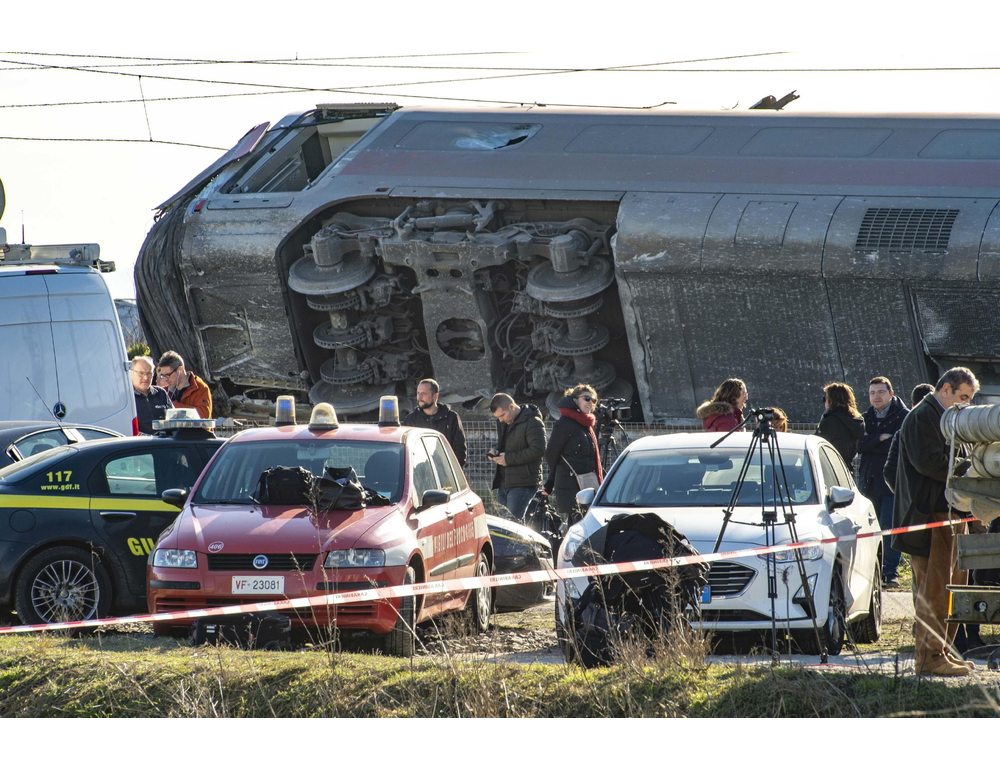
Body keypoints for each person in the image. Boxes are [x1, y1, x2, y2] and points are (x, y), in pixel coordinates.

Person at [893, 367, 978, 677]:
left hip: (950, 513)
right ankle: (929, 657)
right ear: (945, 389)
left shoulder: (946, 416)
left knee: (952, 589)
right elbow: (928, 462)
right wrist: (971, 469)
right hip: (932, 515)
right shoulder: (923, 416)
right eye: (963, 397)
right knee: (935, 591)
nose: (966, 404)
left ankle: (942, 652)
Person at [857, 376, 909, 588]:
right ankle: (872, 572)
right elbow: (858, 445)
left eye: (880, 392)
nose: (876, 397)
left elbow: (898, 446)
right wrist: (880, 438)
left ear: (891, 393)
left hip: (893, 482)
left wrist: (872, 442)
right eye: (872, 393)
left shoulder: (904, 416)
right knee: (869, 529)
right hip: (869, 482)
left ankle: (890, 572)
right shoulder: (864, 417)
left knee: (889, 527)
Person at [544, 383, 603, 525]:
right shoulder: (565, 424)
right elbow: (551, 453)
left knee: (584, 525)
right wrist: (554, 477)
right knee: (578, 525)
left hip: (585, 484)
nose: (590, 403)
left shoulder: (586, 424)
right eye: (587, 398)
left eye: (593, 400)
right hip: (570, 484)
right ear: (575, 400)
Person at [488, 393, 547, 522]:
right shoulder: (505, 422)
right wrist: (496, 450)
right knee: (505, 524)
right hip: (504, 481)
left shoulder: (533, 422)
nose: (500, 420)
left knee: (512, 525)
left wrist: (508, 459)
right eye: (498, 417)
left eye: (502, 415)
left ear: (511, 407)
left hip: (523, 483)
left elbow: (538, 450)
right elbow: (508, 445)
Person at [401, 378, 467, 467]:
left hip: (445, 472)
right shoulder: (410, 420)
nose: (419, 397)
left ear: (435, 396)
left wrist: (450, 471)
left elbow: (459, 449)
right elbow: (405, 450)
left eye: (424, 393)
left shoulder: (451, 418)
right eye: (418, 393)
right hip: (419, 472)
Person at [883, 383, 935, 494]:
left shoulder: (902, 433)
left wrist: (905, 495)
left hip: (911, 497)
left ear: (912, 405)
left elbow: (889, 472)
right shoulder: (945, 433)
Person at [815, 382, 865, 470]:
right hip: (846, 468)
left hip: (829, 466)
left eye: (825, 399)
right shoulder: (858, 421)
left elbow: (816, 444)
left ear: (831, 400)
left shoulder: (830, 421)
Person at [157, 351, 213, 419]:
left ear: (180, 369)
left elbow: (204, 416)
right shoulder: (164, 391)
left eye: (168, 375)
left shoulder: (201, 388)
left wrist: (173, 406)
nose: (166, 379)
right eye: (163, 376)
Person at [130, 355, 173, 435]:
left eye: (149, 373)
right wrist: (151, 439)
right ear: (131, 373)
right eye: (141, 373)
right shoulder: (127, 397)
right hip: (140, 442)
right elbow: (126, 429)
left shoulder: (160, 393)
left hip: (165, 440)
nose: (146, 378)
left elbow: (174, 419)